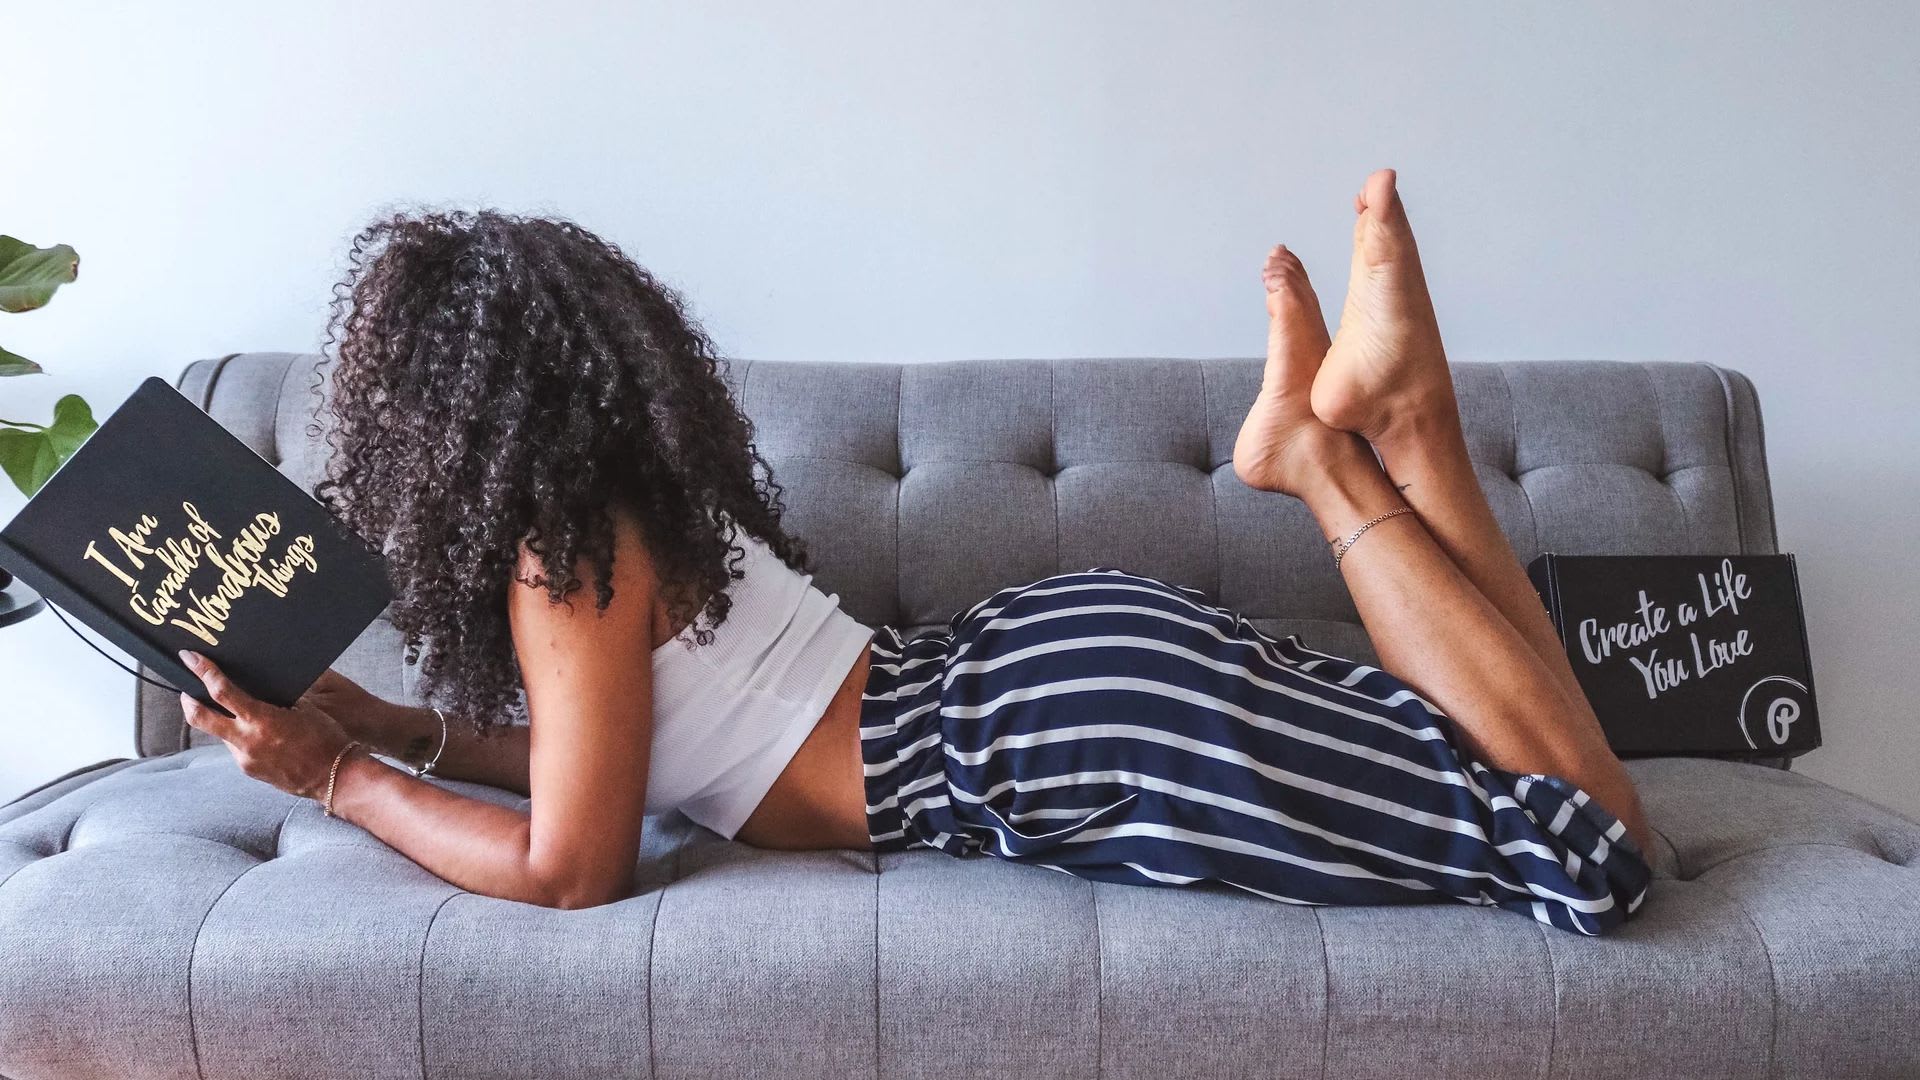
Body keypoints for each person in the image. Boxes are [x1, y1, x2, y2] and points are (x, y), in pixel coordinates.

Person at [179, 169, 1654, 934]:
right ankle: (1416, 430)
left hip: (1064, 734)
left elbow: (575, 870)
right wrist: (407, 729)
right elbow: (606, 759)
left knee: (1599, 858)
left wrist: (336, 777)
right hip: (1047, 676)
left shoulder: (561, 558)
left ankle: (1341, 464)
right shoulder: (622, 515)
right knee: (1527, 778)